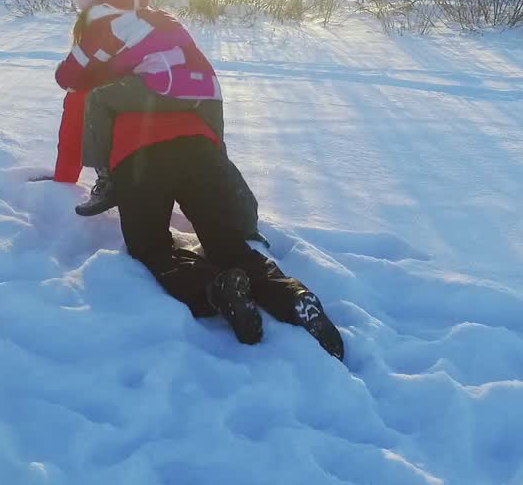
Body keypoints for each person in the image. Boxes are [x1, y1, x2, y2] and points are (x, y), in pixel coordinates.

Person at [106, 111, 345, 359]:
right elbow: (212, 107)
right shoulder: (188, 69)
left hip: (139, 156)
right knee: (227, 243)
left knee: (150, 247)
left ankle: (214, 288)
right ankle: (293, 296)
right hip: (200, 148)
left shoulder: (104, 74)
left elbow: (82, 120)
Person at [55, 0, 260, 241]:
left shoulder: (105, 20)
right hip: (206, 90)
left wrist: (63, 179)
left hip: (164, 87)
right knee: (216, 156)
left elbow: (69, 76)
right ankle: (243, 218)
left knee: (98, 100)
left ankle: (107, 180)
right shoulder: (154, 16)